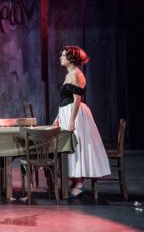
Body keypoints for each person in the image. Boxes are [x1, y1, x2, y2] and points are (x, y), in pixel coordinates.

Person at [53, 46, 110, 198]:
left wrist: (72, 120)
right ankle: (75, 181)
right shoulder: (69, 74)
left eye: (64, 56)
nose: (61, 58)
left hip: (75, 113)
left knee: (76, 146)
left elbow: (77, 99)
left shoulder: (76, 74)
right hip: (67, 112)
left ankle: (79, 183)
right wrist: (58, 117)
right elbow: (65, 99)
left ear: (71, 59)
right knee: (69, 146)